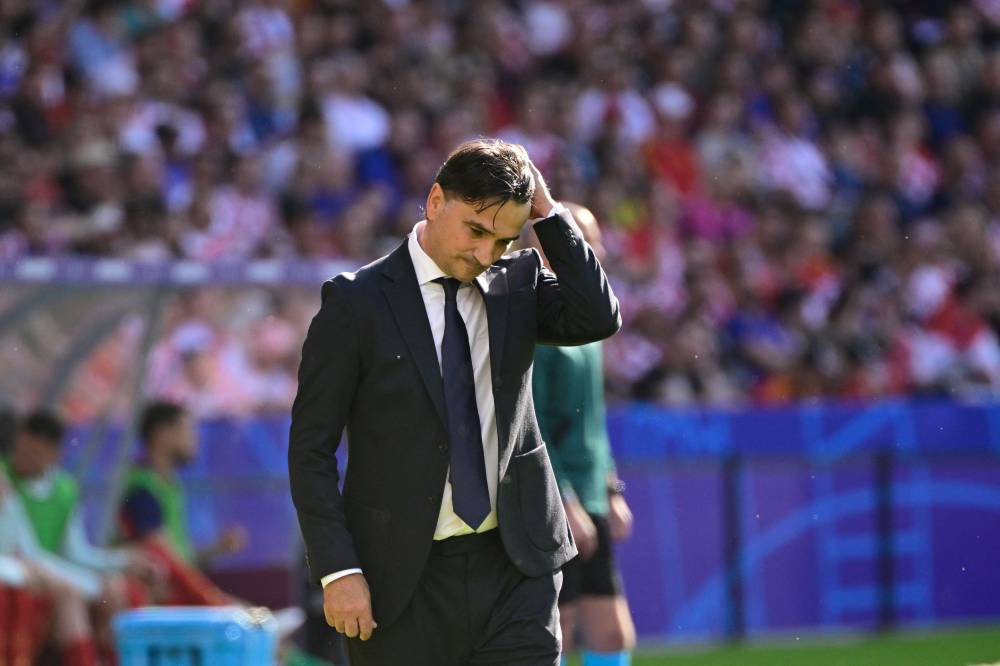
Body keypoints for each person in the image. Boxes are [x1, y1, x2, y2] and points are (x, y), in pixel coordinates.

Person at [288, 138, 621, 666]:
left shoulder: (517, 282)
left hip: (517, 568)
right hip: (401, 581)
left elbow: (598, 316)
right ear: (436, 200)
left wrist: (549, 213)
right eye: (477, 231)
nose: (487, 254)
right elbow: (310, 451)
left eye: (506, 240)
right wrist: (338, 570)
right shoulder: (355, 302)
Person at [531, 203, 637, 666]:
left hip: (591, 497)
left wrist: (611, 489)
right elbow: (528, 422)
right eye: (586, 238)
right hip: (557, 503)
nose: (600, 248)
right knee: (556, 632)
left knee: (612, 635)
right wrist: (566, 499)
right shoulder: (541, 326)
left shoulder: (590, 325)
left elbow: (590, 420)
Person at [0, 409, 154, 665]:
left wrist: (122, 560)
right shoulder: (5, 476)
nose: (24, 459)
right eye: (22, 450)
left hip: (38, 567)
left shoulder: (64, 490)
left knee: (115, 588)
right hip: (29, 569)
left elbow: (75, 552)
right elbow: (25, 551)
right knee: (71, 596)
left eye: (35, 454)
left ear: (55, 455)